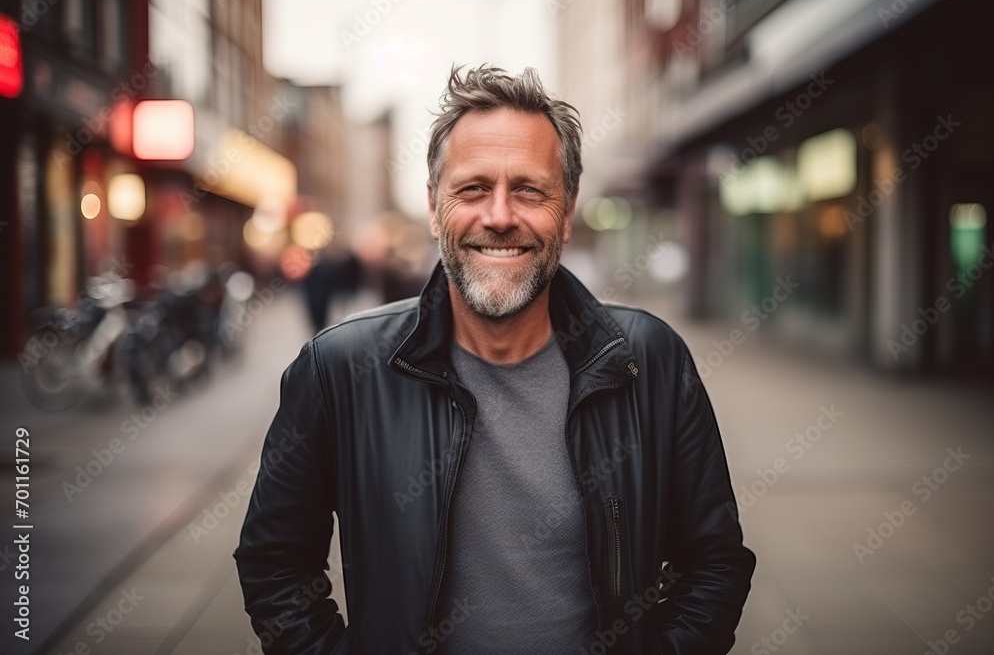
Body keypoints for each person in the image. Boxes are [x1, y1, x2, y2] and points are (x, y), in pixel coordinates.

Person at [235, 65, 754, 654]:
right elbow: (275, 565)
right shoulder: (337, 371)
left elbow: (713, 565)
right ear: (434, 208)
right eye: (473, 188)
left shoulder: (650, 359)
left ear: (567, 208)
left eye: (530, 189)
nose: (500, 215)